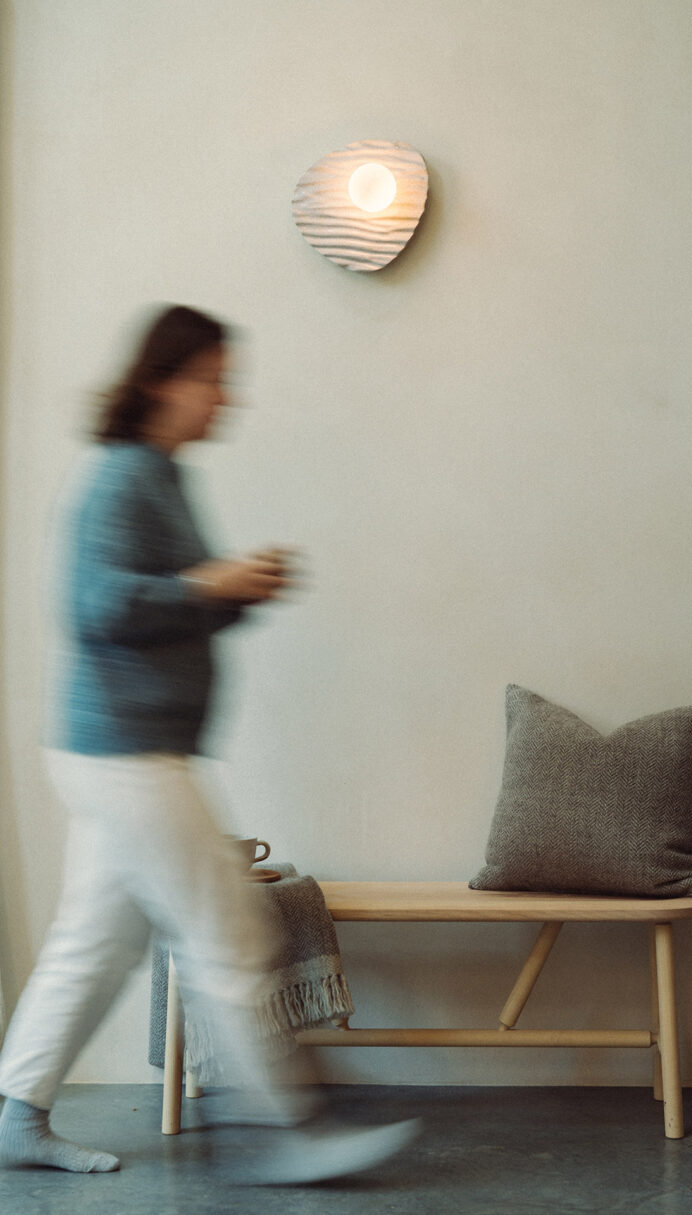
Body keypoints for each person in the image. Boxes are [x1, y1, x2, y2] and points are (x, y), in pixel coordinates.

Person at [0, 304, 418, 1184]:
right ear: (162, 380)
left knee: (94, 941)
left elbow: (169, 606)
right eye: (215, 379)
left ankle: (17, 1115)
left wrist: (235, 593)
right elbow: (99, 607)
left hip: (121, 748)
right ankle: (286, 1131)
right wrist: (209, 583)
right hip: (124, 751)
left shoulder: (161, 475)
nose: (228, 398)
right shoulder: (120, 478)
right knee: (227, 930)